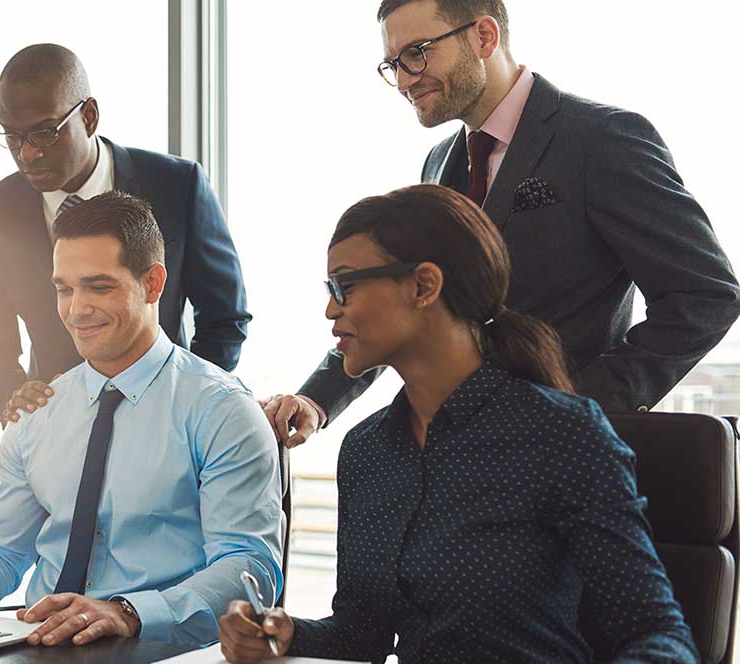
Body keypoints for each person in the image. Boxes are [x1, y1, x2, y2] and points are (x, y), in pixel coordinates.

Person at [217, 184, 696, 663]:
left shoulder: (560, 433)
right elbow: (360, 636)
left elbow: (659, 637)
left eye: (345, 286)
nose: (330, 310)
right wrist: (282, 634)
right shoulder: (367, 450)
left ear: (424, 286)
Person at [264, 0, 740, 447]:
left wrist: (580, 405)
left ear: (484, 36)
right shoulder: (439, 165)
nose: (405, 80)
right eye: (393, 65)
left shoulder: (602, 140)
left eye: (416, 54)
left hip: (562, 460)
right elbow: (409, 308)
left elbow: (706, 297)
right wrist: (316, 401)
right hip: (456, 451)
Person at [0, 192, 282, 647]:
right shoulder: (39, 412)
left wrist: (130, 612)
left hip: (162, 654)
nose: (76, 310)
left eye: (99, 287)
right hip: (40, 648)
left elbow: (248, 568)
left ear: (153, 284)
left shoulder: (222, 410)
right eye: (64, 289)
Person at [0, 43, 250, 424]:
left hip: (168, 419)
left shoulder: (178, 186)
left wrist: (187, 400)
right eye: (12, 137)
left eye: (44, 133)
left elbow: (224, 317)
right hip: (55, 424)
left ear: (89, 116)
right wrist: (14, 400)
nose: (27, 154)